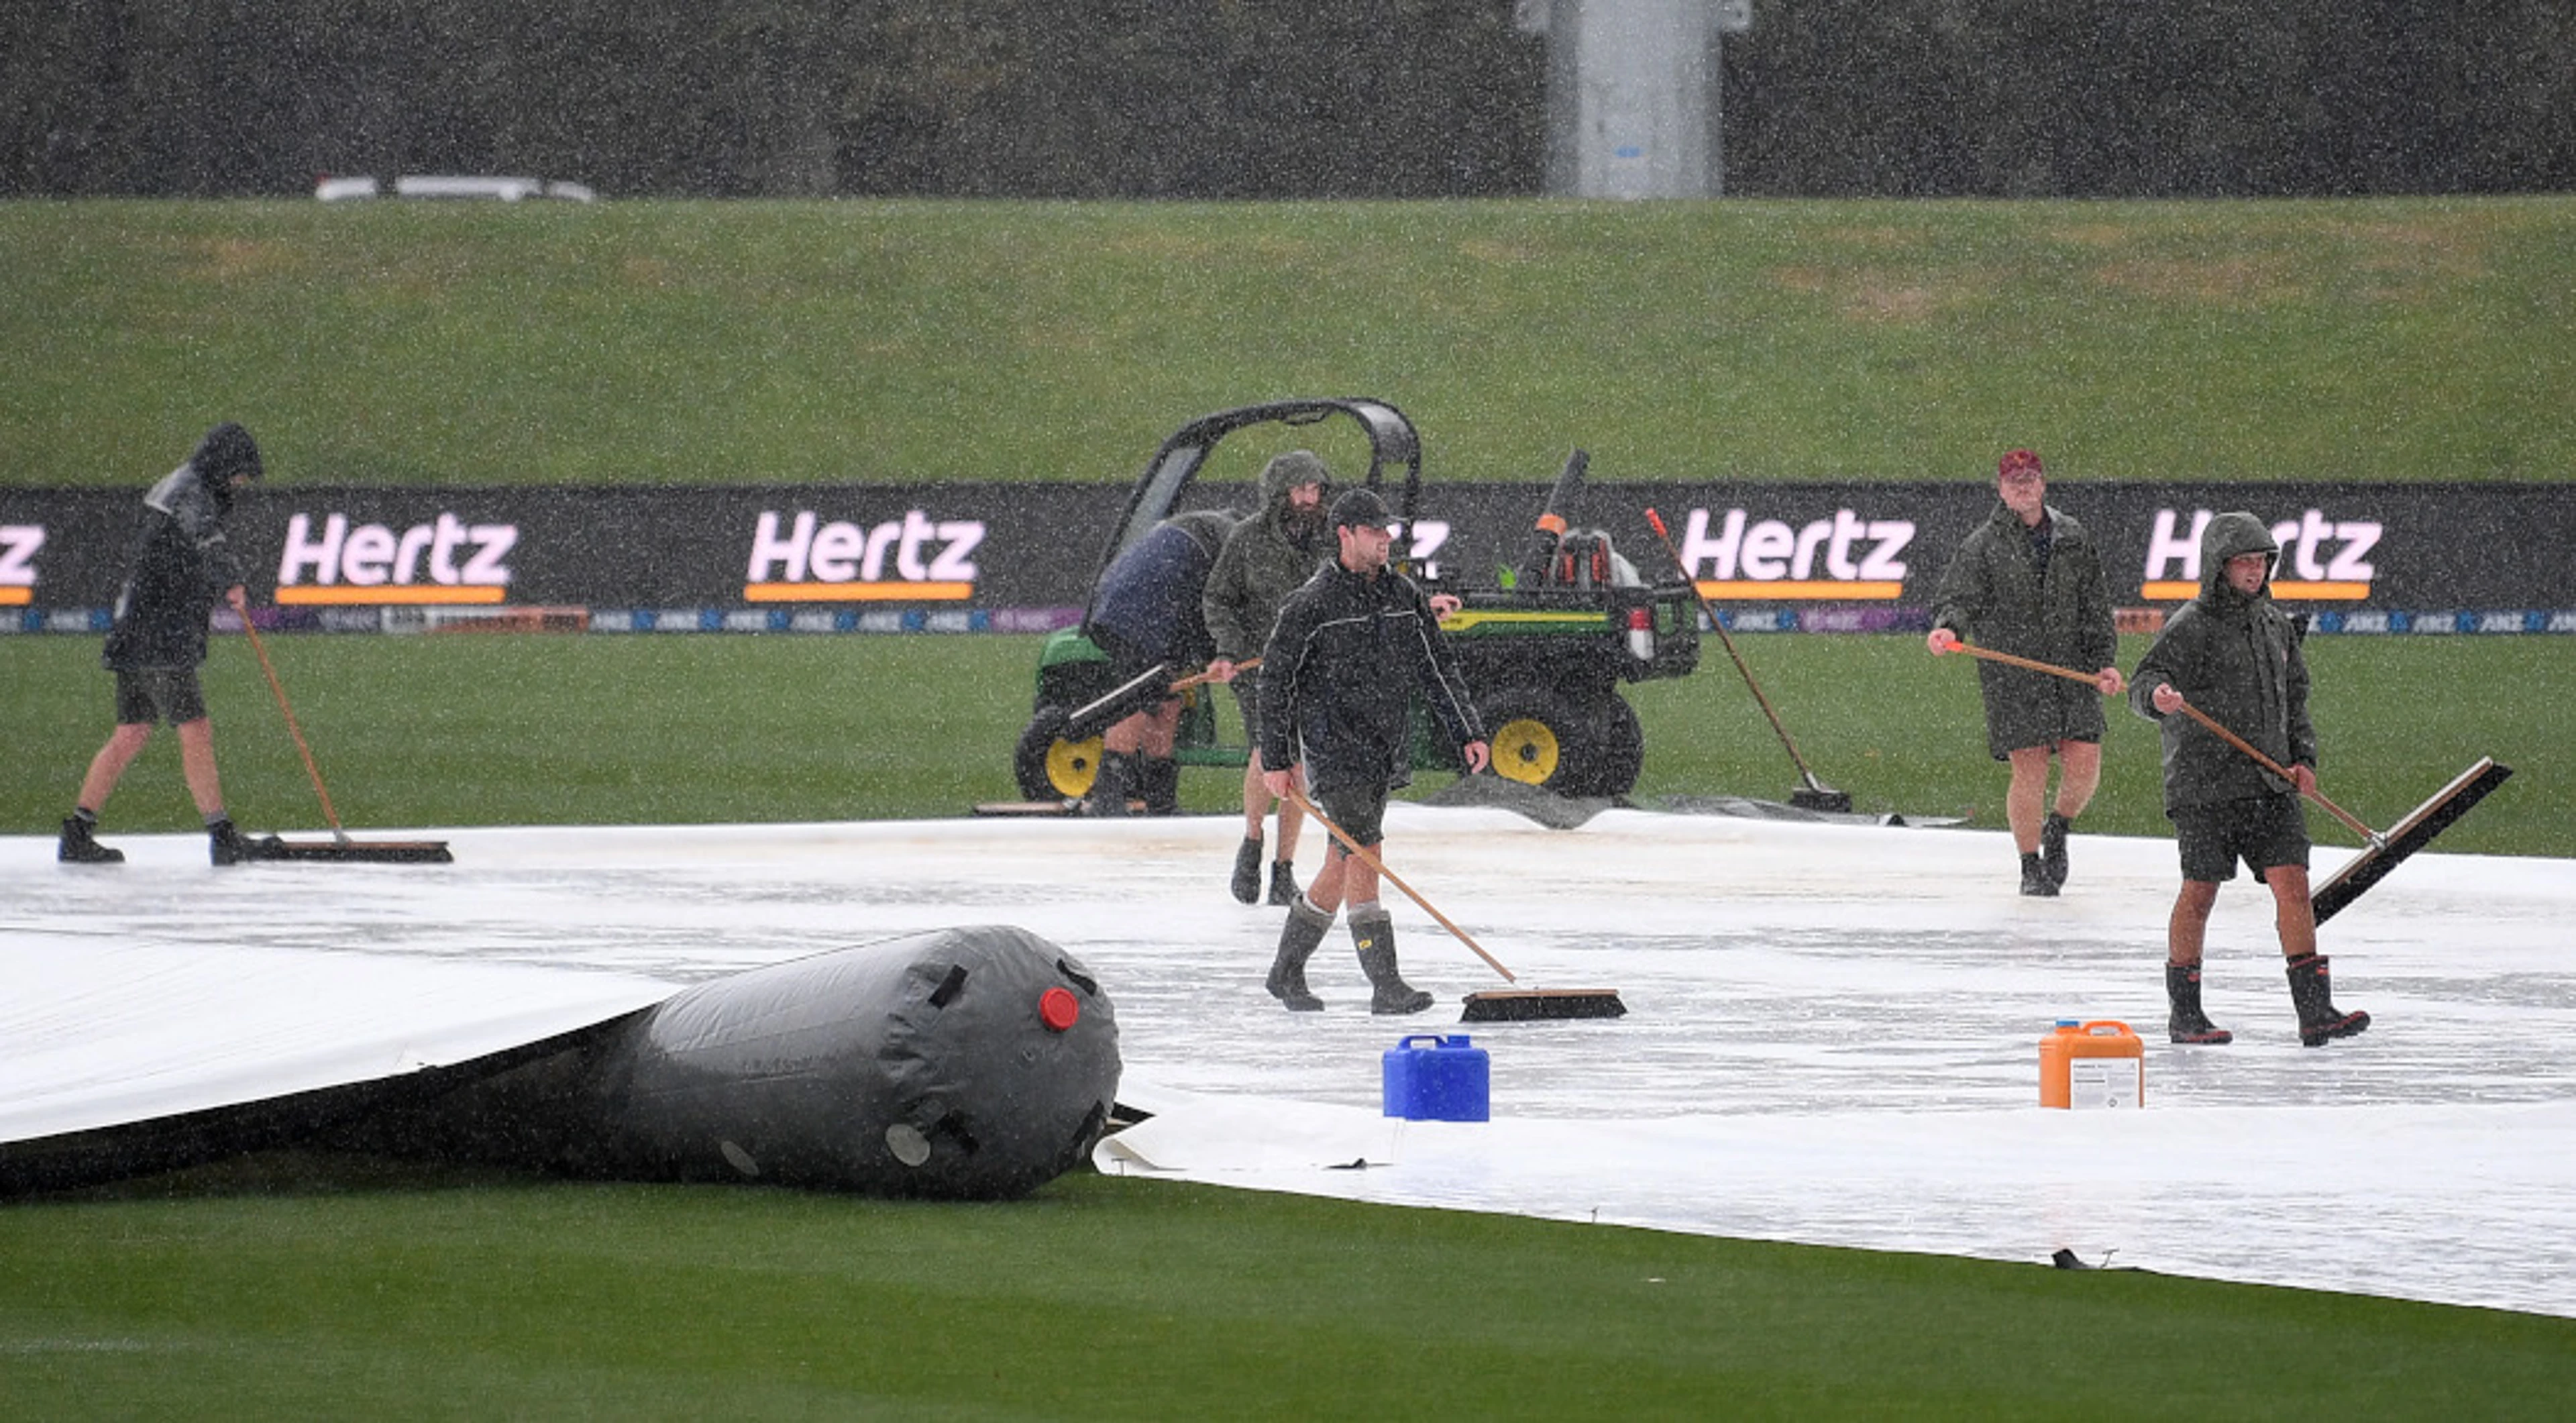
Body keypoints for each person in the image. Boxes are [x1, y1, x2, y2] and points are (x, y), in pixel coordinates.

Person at [2128, 511, 2368, 1048]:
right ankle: (2185, 1014)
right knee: (2201, 890)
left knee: (2293, 882)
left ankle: (2315, 1011)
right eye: (2244, 562)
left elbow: (2295, 700)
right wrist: (2158, 698)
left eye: (2262, 561)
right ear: (2219, 566)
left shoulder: (2275, 625)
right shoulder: (2189, 625)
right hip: (2204, 785)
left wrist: (2303, 758)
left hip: (2270, 780)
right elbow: (2144, 681)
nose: (2255, 571)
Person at [1255, 486, 1490, 1014]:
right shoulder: (1311, 604)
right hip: (1334, 750)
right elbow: (1275, 684)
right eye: (1374, 531)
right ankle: (1386, 984)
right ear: (1345, 535)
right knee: (1366, 850)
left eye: (1387, 532)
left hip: (1384, 747)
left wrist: (1468, 730)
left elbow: (1437, 669)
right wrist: (1275, 759)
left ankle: (1286, 969)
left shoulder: (1402, 596)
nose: (1385, 540)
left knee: (1344, 858)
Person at [61, 423, 282, 867]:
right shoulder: (194, 492)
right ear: (224, 466)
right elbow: (207, 538)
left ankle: (78, 832)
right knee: (194, 727)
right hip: (158, 635)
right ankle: (222, 835)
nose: (240, 483)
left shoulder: (183, 483)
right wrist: (232, 579)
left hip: (137, 631)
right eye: (239, 474)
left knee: (131, 732)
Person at [1926, 448, 2125, 896]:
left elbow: (2094, 604)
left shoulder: (2073, 535)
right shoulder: (1983, 545)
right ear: (2000, 488)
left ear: (2043, 483)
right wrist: (1947, 628)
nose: (2023, 485)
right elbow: (1958, 598)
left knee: (2084, 762)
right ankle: (2029, 863)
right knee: (2030, 769)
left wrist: (2104, 659)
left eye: (2030, 478)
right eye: (2014, 480)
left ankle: (2060, 824)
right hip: (2014, 674)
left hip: (2071, 665)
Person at [1202, 449, 1332, 904]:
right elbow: (1218, 599)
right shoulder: (1247, 539)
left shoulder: (1334, 537)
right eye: (1300, 489)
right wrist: (1230, 649)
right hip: (1258, 668)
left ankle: (1284, 867)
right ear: (1280, 492)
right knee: (1269, 753)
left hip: (1314, 669)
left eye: (1315, 489)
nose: (1309, 498)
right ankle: (1253, 839)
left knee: (1300, 766)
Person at [1078, 508, 1236, 815]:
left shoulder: (1208, 532)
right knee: (1139, 697)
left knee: (1166, 702)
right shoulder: (1235, 542)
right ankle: (1107, 798)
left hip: (1146, 609)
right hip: (1141, 613)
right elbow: (1224, 604)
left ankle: (1161, 800)